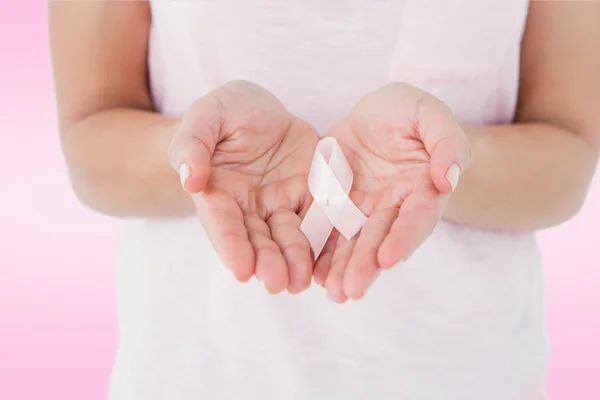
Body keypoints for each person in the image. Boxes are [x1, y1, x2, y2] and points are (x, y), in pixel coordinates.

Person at [48, 1, 599, 399]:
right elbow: (90, 141)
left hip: (471, 374)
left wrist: (439, 159)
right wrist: (203, 154)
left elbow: (568, 156)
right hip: (199, 373)